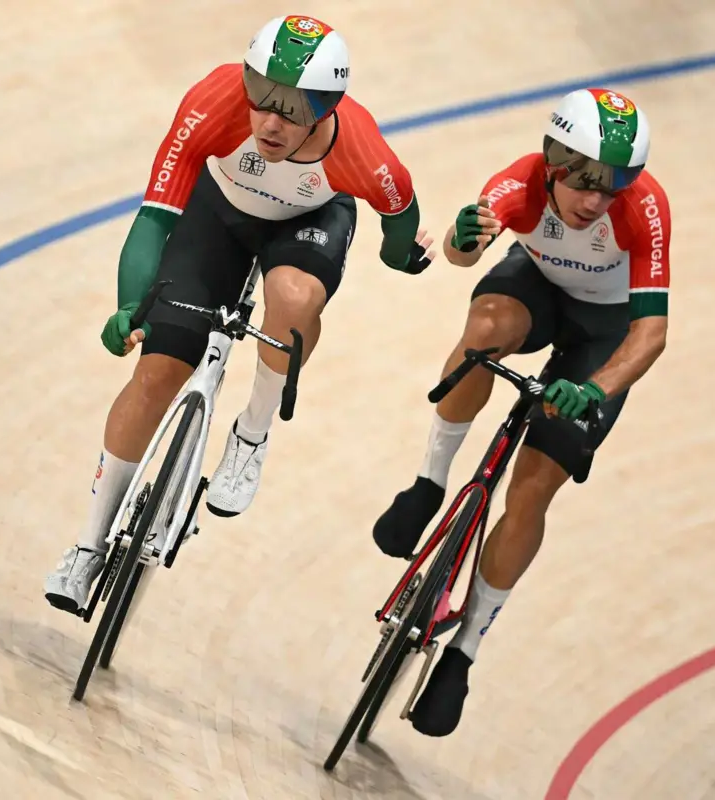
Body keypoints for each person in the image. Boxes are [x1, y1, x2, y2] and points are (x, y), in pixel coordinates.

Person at [45, 14, 437, 613]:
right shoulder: (213, 102)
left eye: (294, 107)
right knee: (155, 375)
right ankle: (87, 545)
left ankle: (252, 431)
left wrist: (401, 256)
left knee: (294, 296)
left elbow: (400, 215)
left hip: (308, 226)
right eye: (262, 97)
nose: (271, 120)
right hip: (219, 216)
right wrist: (130, 304)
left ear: (328, 108)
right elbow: (155, 217)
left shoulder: (361, 151)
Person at [372, 87, 672, 736]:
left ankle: (464, 652)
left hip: (603, 333)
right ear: (554, 159)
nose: (598, 199)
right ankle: (428, 484)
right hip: (535, 289)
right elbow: (461, 254)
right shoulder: (521, 183)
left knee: (533, 489)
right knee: (483, 329)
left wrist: (596, 388)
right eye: (587, 180)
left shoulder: (645, 211)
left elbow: (650, 334)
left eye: (616, 184)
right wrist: (461, 237)